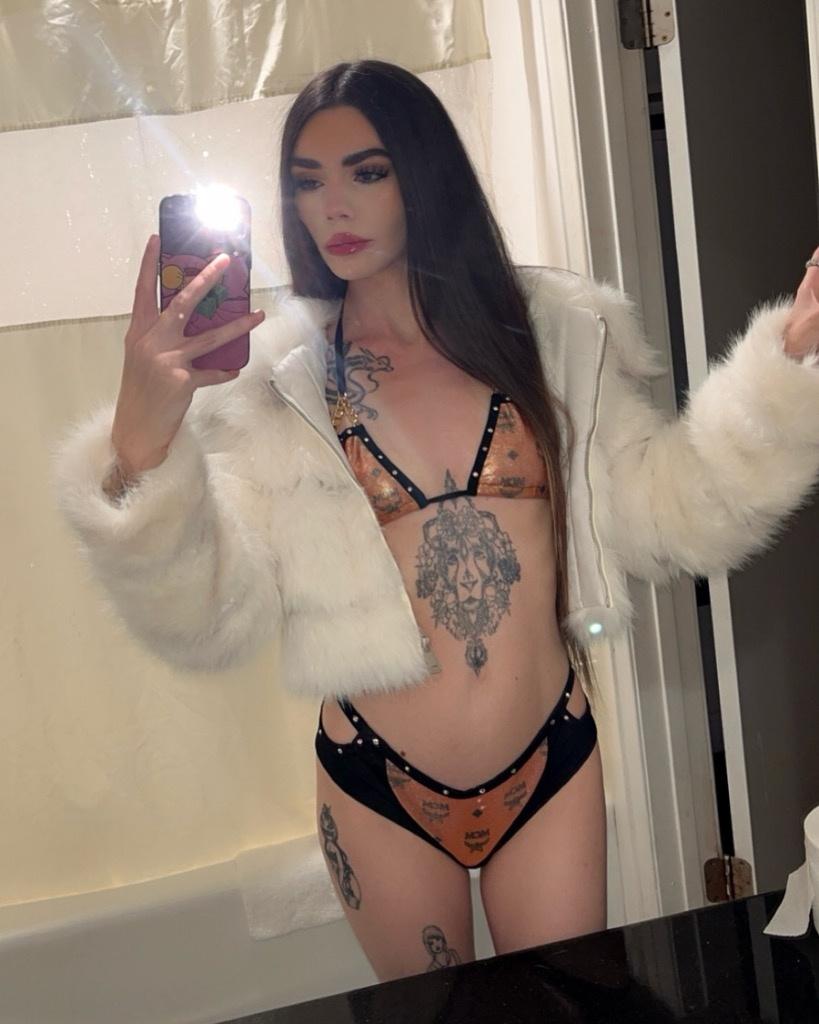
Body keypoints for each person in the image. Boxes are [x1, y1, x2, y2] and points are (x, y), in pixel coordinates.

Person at [52, 59, 819, 983]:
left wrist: (788, 362)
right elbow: (213, 619)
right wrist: (141, 444)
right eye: (307, 181)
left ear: (425, 173)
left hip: (549, 759)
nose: (333, 206)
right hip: (379, 783)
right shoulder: (273, 389)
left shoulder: (555, 338)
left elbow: (673, 512)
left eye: (367, 172)